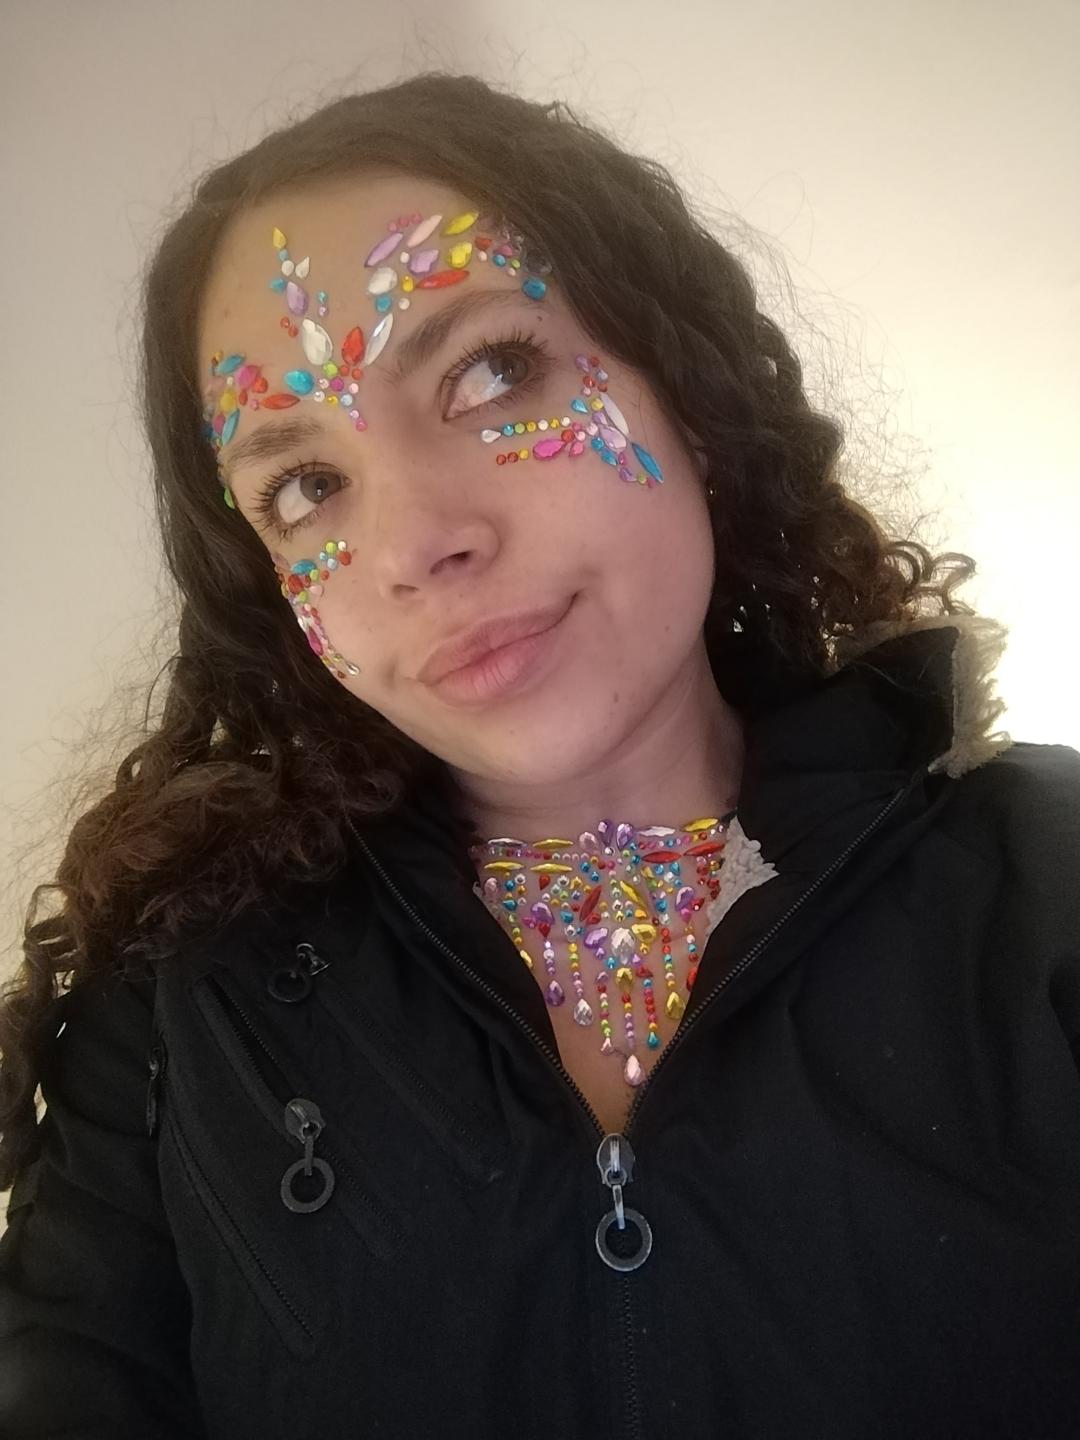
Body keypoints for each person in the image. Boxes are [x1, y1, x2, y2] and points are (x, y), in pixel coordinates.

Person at [1, 73, 1078, 1440]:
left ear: (686, 389)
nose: (414, 543)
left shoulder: (1050, 878)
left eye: (492, 372)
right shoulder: (176, 1015)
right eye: (306, 486)